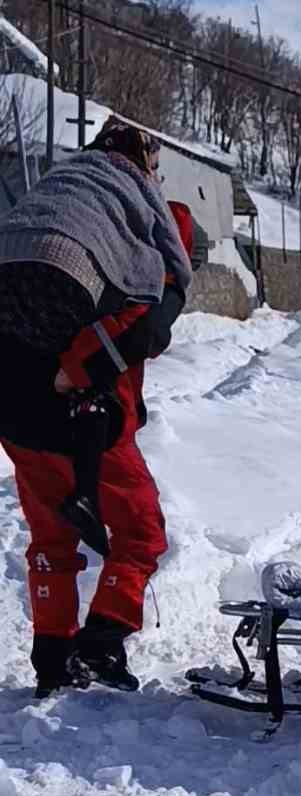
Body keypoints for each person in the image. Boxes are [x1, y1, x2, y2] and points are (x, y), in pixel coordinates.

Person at [0, 121, 194, 697]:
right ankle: (101, 643)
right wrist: (79, 372)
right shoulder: (144, 253)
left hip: (13, 401)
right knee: (140, 531)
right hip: (86, 418)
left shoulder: (61, 197)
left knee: (51, 536)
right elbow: (137, 330)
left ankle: (52, 659)